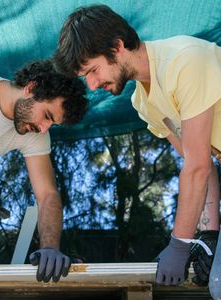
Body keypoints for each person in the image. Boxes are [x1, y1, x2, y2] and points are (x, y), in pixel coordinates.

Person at [54, 4, 221, 294]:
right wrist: (208, 236)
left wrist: (179, 243)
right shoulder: (143, 104)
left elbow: (196, 167)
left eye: (93, 70)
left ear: (117, 47)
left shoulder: (186, 60)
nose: (92, 85)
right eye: (85, 78)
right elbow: (202, 161)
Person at [0, 60, 88, 282]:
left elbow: (47, 195)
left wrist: (50, 248)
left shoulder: (35, 132)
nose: (44, 129)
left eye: (52, 124)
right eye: (47, 115)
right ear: (31, 88)